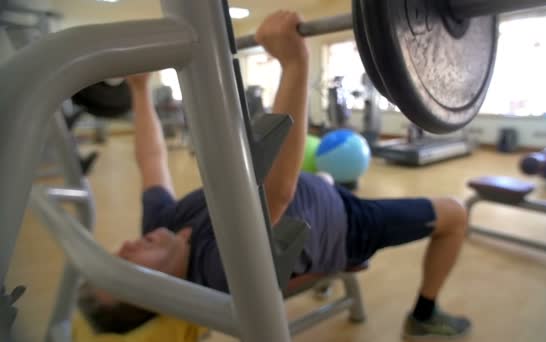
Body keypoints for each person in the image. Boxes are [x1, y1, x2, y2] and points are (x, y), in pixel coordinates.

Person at [78, 10, 471, 340]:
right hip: (347, 226)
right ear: (161, 291)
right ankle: (423, 316)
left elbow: (151, 159)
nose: (126, 247)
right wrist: (295, 64)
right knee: (454, 213)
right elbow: (276, 195)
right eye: (131, 264)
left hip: (324, 194)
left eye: (117, 255)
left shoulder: (159, 226)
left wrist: (140, 90)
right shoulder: (216, 271)